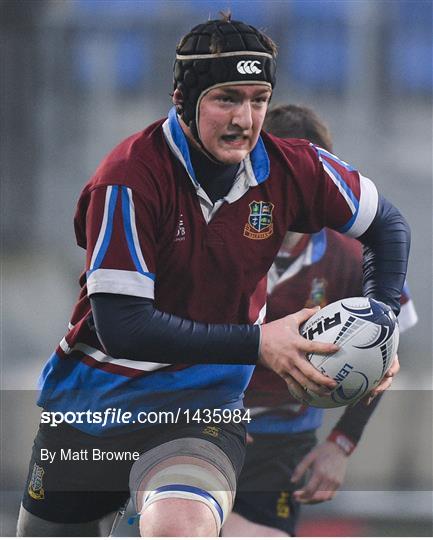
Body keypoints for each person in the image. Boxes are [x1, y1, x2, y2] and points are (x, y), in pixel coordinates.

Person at [17, 15, 410, 538]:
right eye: (227, 97)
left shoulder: (292, 167)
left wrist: (380, 320)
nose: (245, 118)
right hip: (94, 410)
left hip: (201, 412)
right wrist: (259, 343)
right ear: (182, 98)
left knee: (180, 528)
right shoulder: (128, 180)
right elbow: (124, 328)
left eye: (258, 98)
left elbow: (388, 225)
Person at [223, 104, 418, 537]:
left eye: (312, 179)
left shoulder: (351, 257)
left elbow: (383, 358)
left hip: (282, 439)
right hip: (199, 423)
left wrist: (341, 445)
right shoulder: (214, 238)